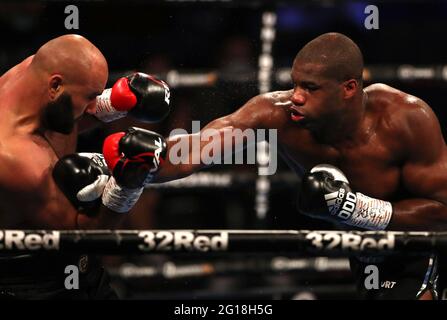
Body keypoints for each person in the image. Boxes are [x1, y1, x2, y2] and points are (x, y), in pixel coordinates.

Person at [153, 33, 447, 299]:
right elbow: (193, 151)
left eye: (310, 88)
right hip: (367, 253)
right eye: (294, 84)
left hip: (423, 243)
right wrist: (145, 158)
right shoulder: (276, 115)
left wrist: (356, 209)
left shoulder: (405, 119)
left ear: (348, 88)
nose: (296, 96)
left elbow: (443, 214)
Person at [0, 34, 170, 299]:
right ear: (55, 85)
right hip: (33, 285)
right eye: (91, 96)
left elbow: (62, 114)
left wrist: (114, 104)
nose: (94, 106)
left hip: (72, 274)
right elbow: (86, 236)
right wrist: (126, 185)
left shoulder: (30, 72)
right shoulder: (17, 160)